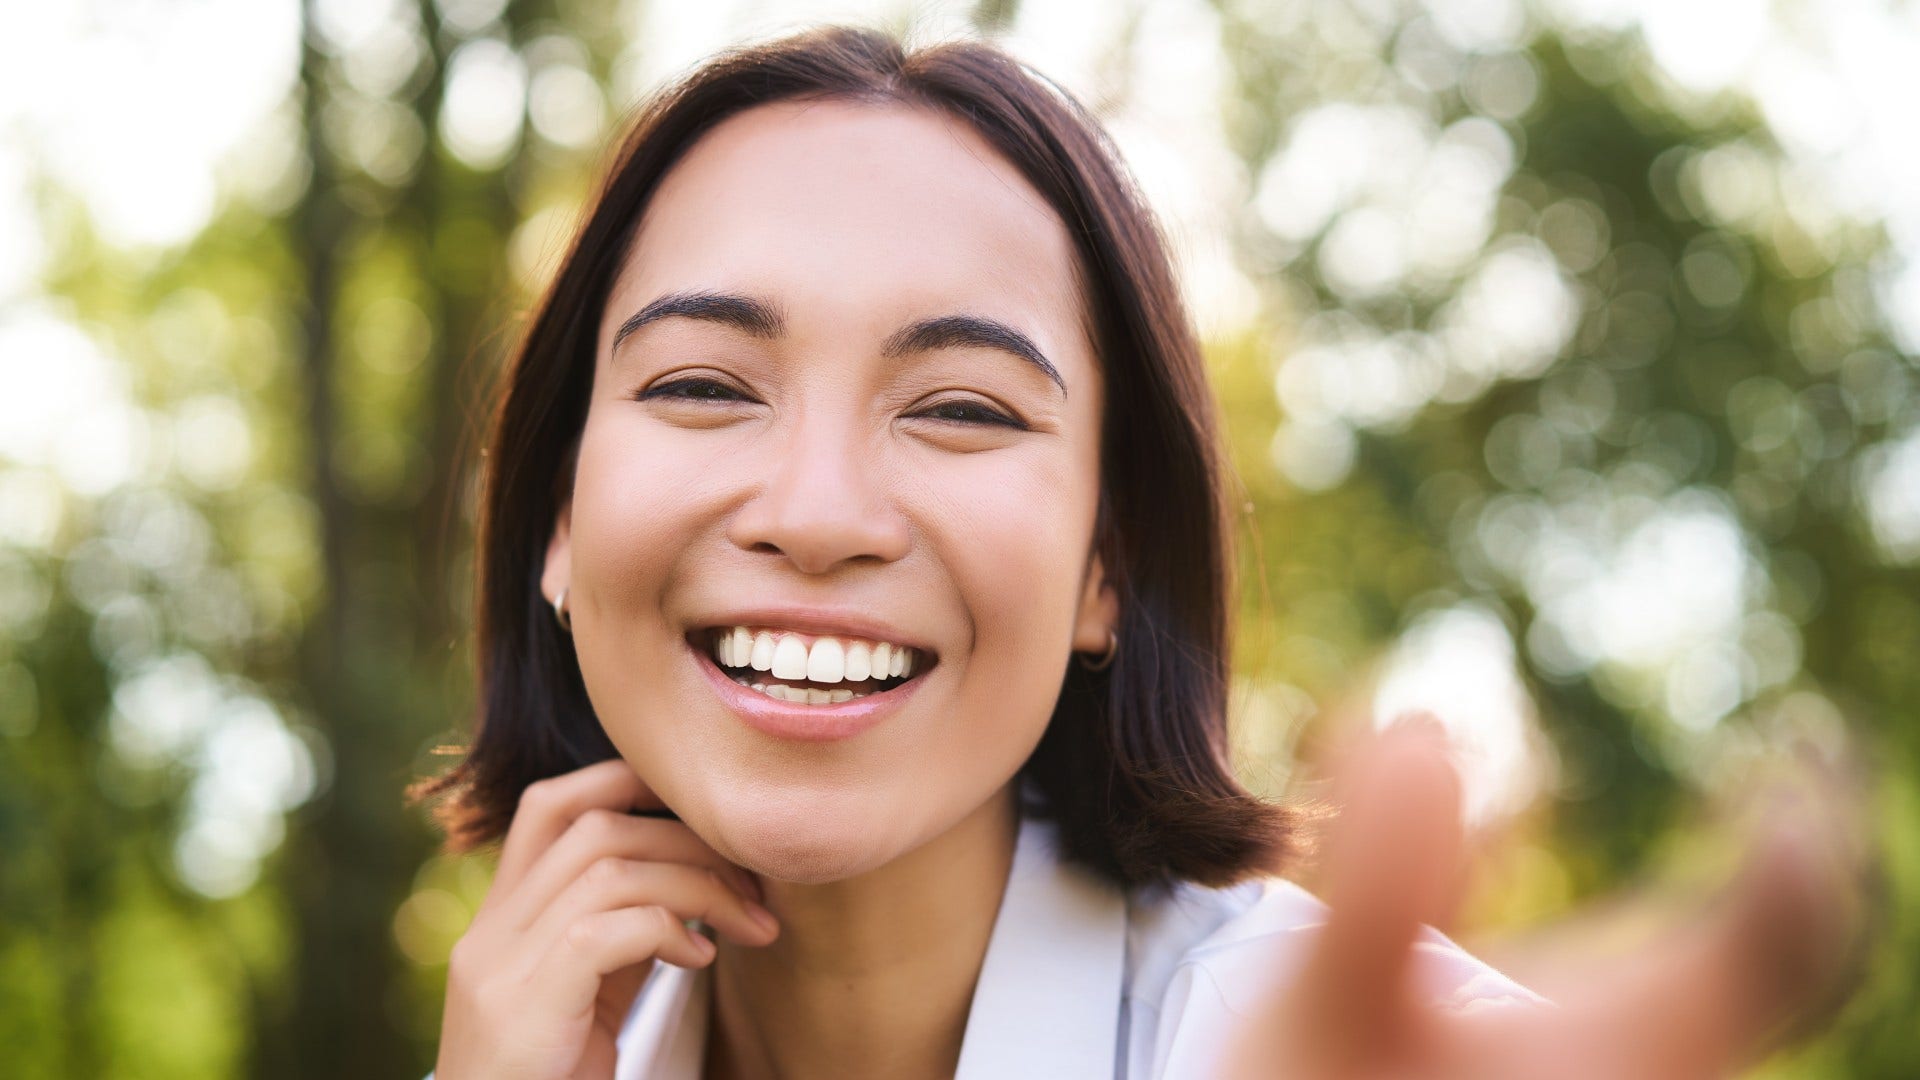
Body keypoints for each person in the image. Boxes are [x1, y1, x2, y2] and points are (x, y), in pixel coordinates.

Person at [410, 25, 1862, 1080]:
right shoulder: (538, 1050)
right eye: (702, 386)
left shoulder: (1287, 1040)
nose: (819, 510)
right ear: (556, 517)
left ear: (1108, 566)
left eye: (962, 408)